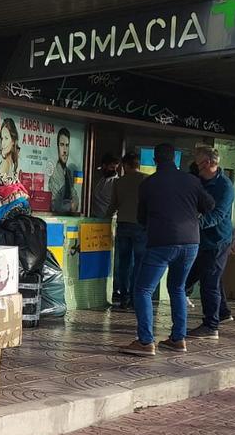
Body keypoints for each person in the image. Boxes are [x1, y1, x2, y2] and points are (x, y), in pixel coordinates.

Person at [119, 143, 214, 356]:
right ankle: (178, 339)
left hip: (161, 242)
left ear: (155, 160)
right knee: (178, 288)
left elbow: (141, 218)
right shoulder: (192, 180)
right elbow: (209, 205)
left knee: (143, 290)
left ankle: (145, 342)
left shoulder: (148, 184)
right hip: (191, 242)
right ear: (176, 160)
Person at [186, 145, 234, 339]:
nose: (195, 164)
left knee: (210, 281)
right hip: (200, 241)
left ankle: (211, 325)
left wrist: (191, 225)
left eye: (197, 161)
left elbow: (217, 215)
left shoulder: (225, 186)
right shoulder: (197, 181)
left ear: (206, 163)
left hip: (217, 241)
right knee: (194, 278)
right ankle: (222, 312)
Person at [107, 152, 147, 310]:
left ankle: (124, 296)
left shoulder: (119, 182)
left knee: (123, 263)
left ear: (126, 165)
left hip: (123, 224)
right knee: (139, 263)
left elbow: (113, 205)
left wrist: (104, 218)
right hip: (141, 226)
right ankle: (136, 298)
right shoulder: (146, 180)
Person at [48, 128, 79, 214]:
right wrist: (70, 206)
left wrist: (74, 203)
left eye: (67, 145)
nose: (65, 150)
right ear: (57, 147)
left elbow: (75, 196)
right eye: (62, 145)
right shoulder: (54, 173)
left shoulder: (68, 172)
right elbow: (54, 205)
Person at [90, 154, 121, 218]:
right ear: (104, 166)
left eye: (116, 168)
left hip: (110, 218)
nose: (114, 171)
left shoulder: (117, 182)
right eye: (112, 167)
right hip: (94, 217)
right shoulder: (97, 179)